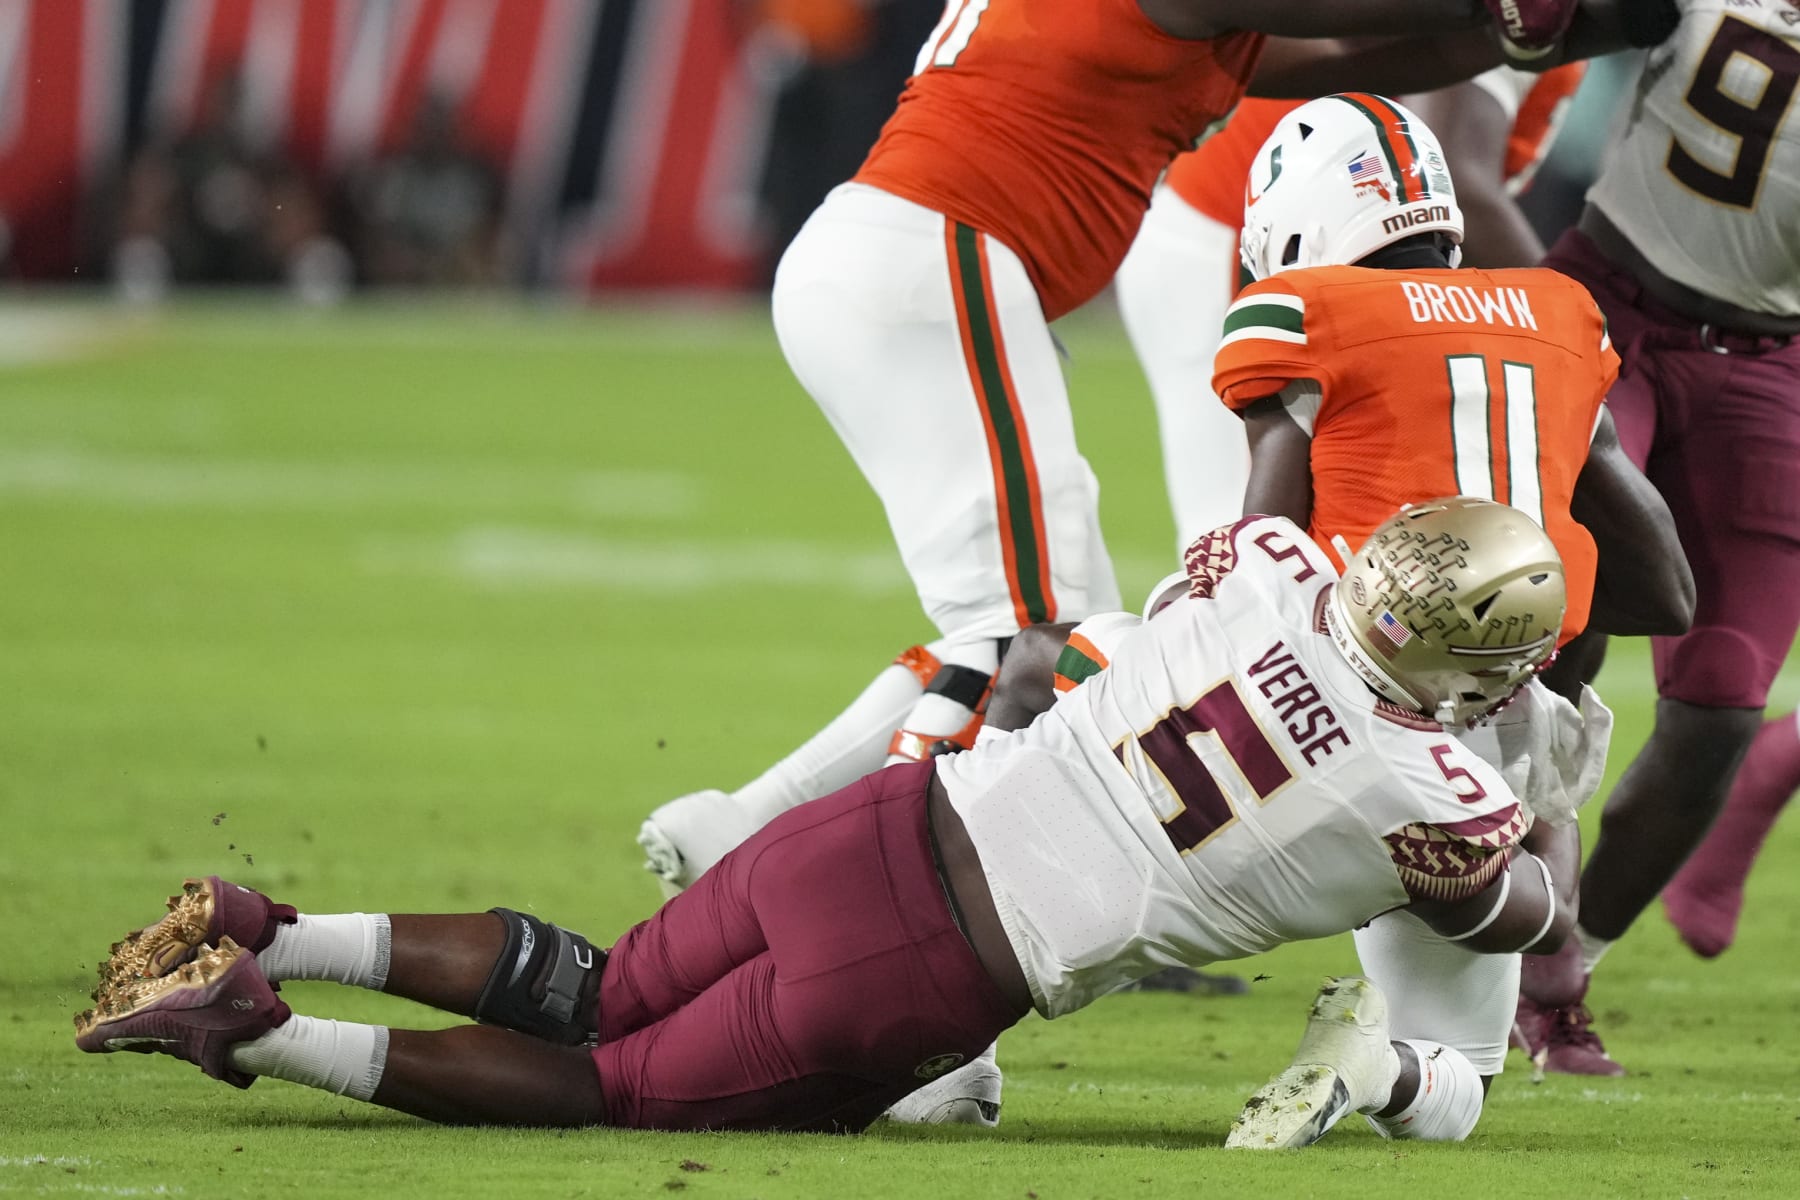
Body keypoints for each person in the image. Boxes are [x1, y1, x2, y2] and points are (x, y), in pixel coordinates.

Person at [78, 499, 1578, 1147]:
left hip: (879, 823)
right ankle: (259, 1031)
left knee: (602, 989)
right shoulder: (1432, 789)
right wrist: (1511, 853)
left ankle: (283, 926)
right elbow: (1500, 913)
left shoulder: (1264, 557)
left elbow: (1194, 608)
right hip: (935, 967)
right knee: (609, 1091)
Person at [1508, 0, 1800, 1074]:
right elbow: (1537, 31)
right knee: (1546, 621)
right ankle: (1469, 938)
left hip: (1769, 365)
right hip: (1605, 308)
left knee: (1722, 703)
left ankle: (1561, 970)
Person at [1115, 63, 1586, 547]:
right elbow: (1454, 174)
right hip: (1266, 242)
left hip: (1347, 257)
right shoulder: (1531, 14)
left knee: (1378, 545)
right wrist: (1567, 324)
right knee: (1250, 552)